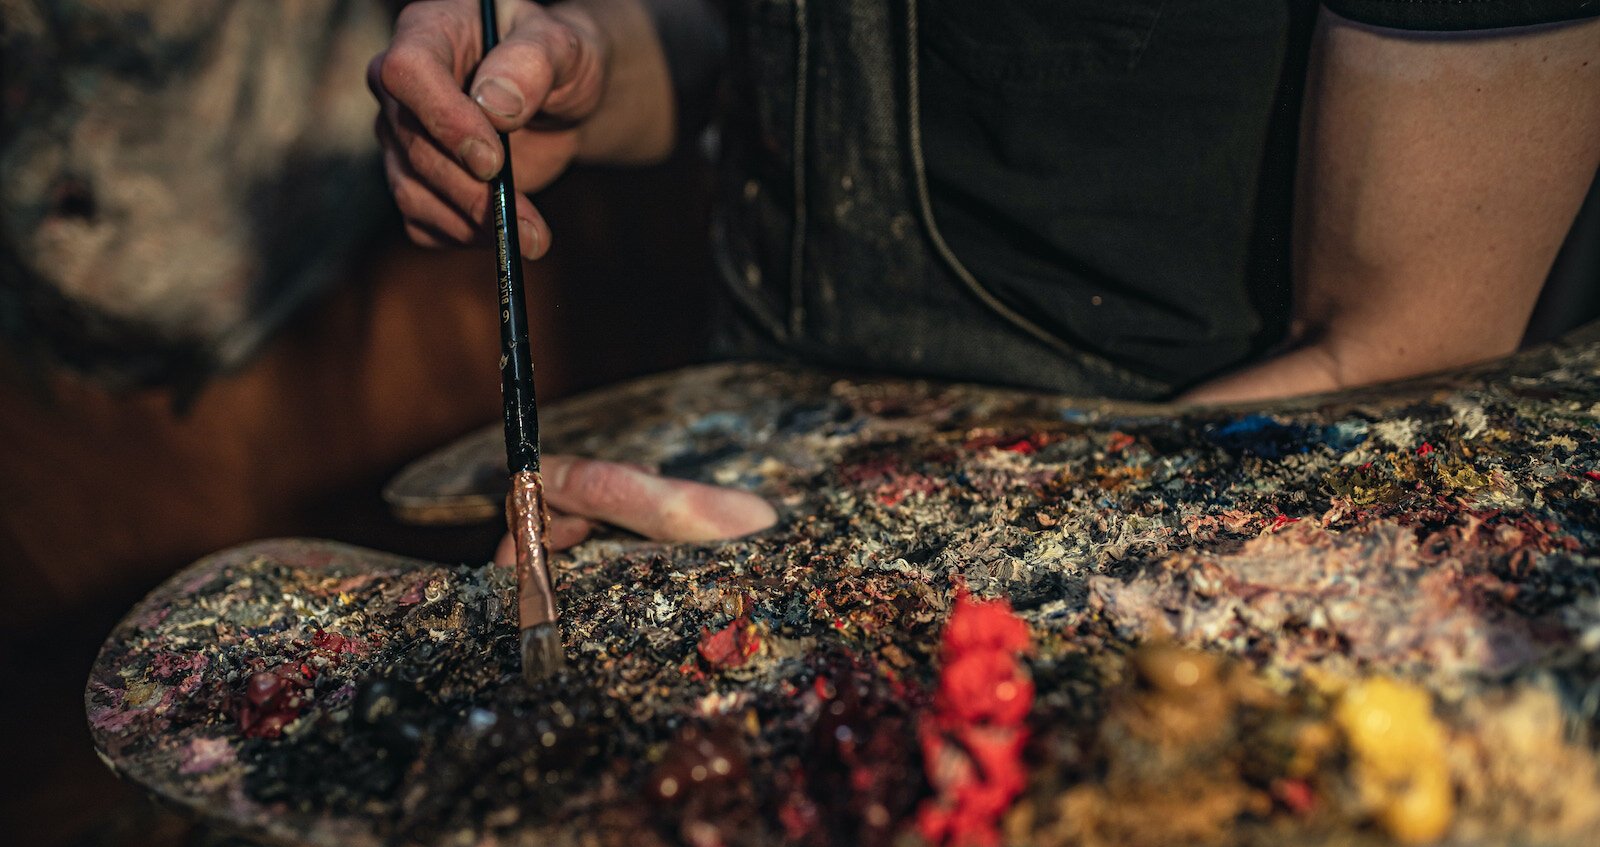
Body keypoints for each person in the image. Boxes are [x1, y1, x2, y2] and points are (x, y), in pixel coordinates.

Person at [369, 0, 1599, 551]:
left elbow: (1404, 369)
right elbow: (780, 49)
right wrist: (596, 67)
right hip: (754, 421)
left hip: (1150, 526)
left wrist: (850, 579)